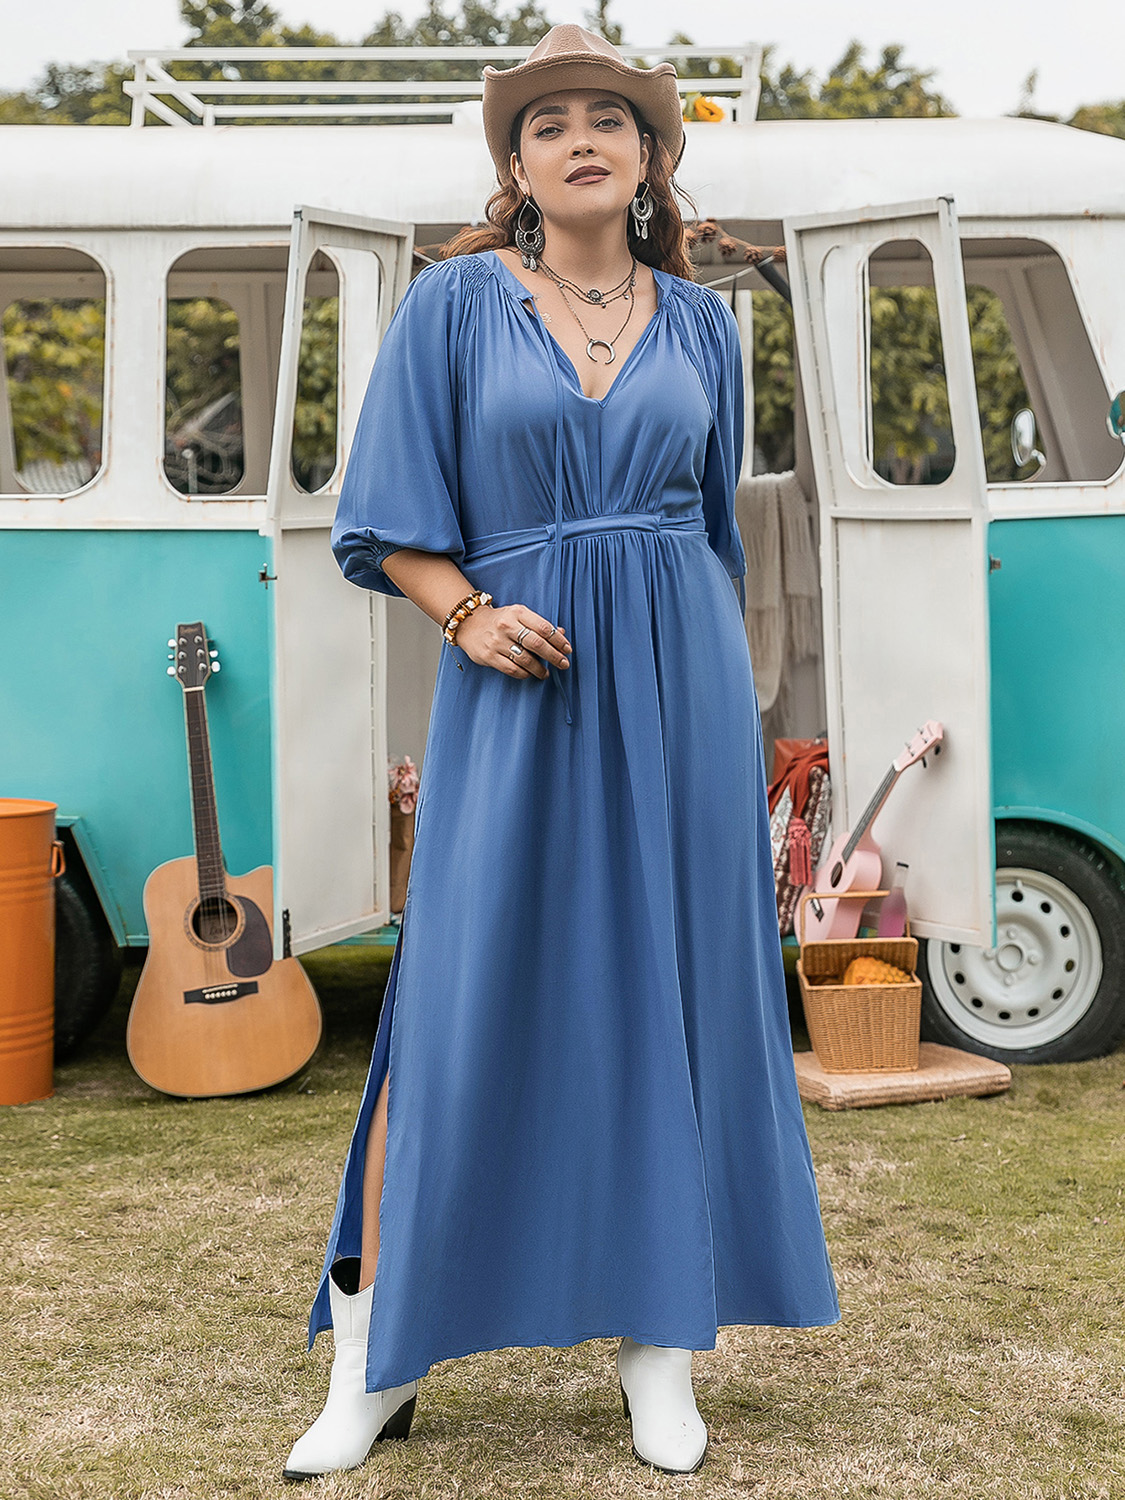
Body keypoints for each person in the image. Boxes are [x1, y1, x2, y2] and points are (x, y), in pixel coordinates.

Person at [283, 24, 840, 1483]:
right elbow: (383, 518)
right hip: (516, 684)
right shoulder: (454, 304)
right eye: (548, 124)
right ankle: (373, 1356)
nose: (581, 138)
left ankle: (662, 1348)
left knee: (677, 997)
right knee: (458, 1007)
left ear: (650, 158)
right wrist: (465, 614)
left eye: (610, 118)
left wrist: (719, 696)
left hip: (681, 687)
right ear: (516, 167)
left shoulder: (707, 327)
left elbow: (710, 533)